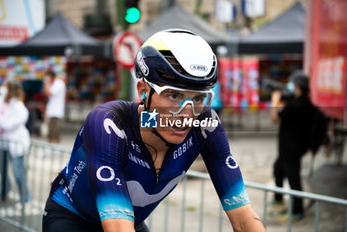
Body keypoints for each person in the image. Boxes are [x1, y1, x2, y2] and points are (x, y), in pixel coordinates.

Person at [43, 29, 266, 232]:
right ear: (143, 90)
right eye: (174, 95)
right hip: (73, 216)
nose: (186, 115)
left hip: (130, 219)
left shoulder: (205, 126)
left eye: (198, 98)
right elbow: (118, 228)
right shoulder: (109, 123)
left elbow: (244, 218)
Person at [270, 70, 315, 221]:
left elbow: (275, 118)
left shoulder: (295, 105)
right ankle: (278, 199)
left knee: (293, 178)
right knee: (278, 169)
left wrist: (275, 100)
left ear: (297, 86)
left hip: (290, 148)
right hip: (296, 147)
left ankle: (298, 210)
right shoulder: (307, 103)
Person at [0, 80, 31, 202]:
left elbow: (7, 125)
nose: (3, 88)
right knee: (2, 170)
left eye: (5, 86)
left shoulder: (19, 106)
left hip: (16, 144)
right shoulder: (0, 101)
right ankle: (4, 192)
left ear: (11, 90)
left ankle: (25, 199)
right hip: (3, 144)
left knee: (18, 173)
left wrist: (0, 119)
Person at [43, 70, 66, 143]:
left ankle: (57, 141)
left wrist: (46, 84)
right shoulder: (52, 84)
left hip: (57, 109)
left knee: (55, 127)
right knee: (50, 126)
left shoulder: (58, 84)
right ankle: (51, 141)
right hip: (52, 108)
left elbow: (50, 93)